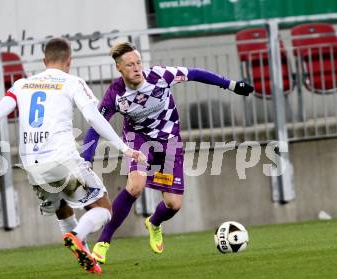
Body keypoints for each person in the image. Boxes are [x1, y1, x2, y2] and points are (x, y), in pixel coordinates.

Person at [0, 38, 146, 274]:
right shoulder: (72, 82)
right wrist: (123, 148)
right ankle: (77, 235)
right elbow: (94, 118)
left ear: (44, 61)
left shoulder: (22, 84)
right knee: (104, 208)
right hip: (63, 159)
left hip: (32, 165)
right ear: (69, 62)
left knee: (61, 205)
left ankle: (85, 255)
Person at [82, 41, 254, 264]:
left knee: (173, 204)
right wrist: (86, 158)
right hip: (139, 141)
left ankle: (153, 222)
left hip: (169, 142)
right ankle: (103, 243)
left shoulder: (160, 76)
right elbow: (97, 125)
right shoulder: (115, 94)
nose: (136, 68)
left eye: (138, 62)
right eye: (130, 65)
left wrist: (231, 85)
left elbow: (195, 73)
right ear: (119, 68)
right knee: (135, 186)